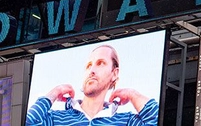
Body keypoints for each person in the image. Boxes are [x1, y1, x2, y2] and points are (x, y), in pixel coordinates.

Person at [25, 45, 159, 126]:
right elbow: (28, 122)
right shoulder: (56, 119)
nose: (92, 70)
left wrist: (132, 94)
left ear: (114, 73)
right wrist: (54, 92)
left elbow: (156, 120)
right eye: (89, 65)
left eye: (101, 63)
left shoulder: (126, 121)